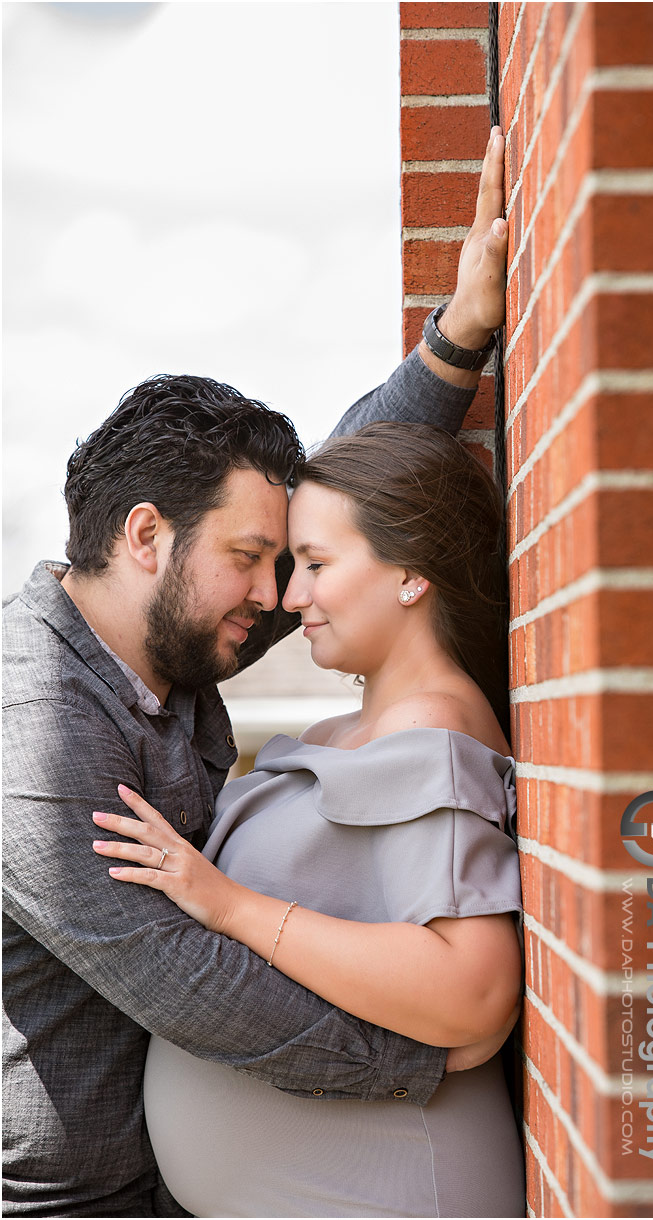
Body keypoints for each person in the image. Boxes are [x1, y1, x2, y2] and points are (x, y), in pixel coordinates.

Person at [2, 130, 510, 1218]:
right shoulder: (32, 726)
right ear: (147, 536)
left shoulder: (182, 640)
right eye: (250, 559)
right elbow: (185, 978)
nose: (279, 593)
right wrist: (426, 1055)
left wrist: (455, 341)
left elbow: (357, 520)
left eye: (286, 565)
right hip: (68, 1202)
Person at [91, 422, 526, 1218]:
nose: (290, 599)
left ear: (410, 574)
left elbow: (473, 989)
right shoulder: (356, 732)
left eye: (316, 566)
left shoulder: (430, 733)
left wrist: (229, 905)